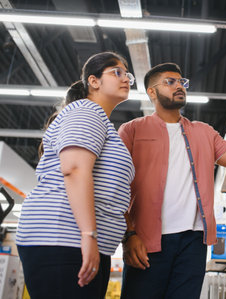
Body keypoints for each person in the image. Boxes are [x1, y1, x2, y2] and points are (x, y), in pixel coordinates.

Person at [118, 62, 226, 299]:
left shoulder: (204, 132)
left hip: (193, 242)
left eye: (182, 82)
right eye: (170, 82)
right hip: (146, 239)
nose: (179, 86)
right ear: (151, 92)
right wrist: (128, 235)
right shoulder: (132, 130)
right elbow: (116, 186)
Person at [16, 51, 136, 299]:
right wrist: (88, 235)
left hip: (77, 240)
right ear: (93, 81)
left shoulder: (98, 119)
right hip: (64, 237)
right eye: (117, 72)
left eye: (128, 74)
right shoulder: (86, 110)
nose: (126, 78)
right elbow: (74, 169)